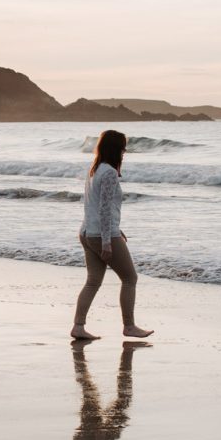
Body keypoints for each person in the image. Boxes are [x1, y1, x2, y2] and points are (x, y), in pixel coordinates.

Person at [71, 130, 153, 340]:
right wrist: (108, 241)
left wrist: (116, 229)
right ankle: (129, 326)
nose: (125, 151)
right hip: (101, 235)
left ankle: (78, 327)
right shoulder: (108, 173)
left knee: (93, 281)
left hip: (87, 231)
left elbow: (95, 205)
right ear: (116, 149)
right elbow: (105, 209)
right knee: (130, 278)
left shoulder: (95, 169)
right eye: (123, 147)